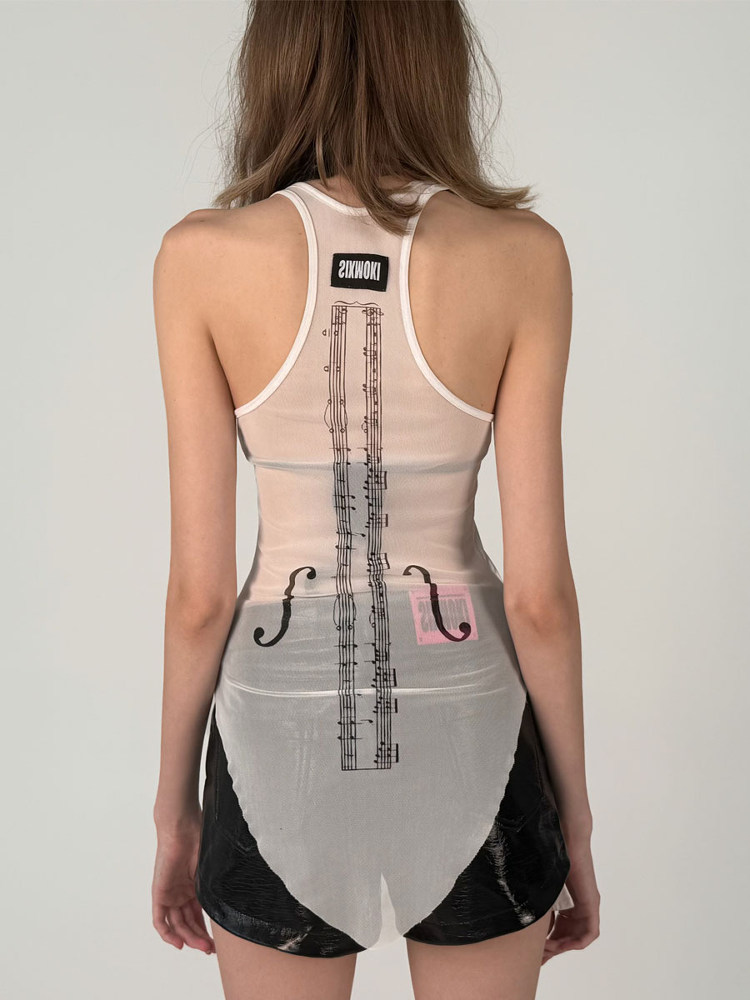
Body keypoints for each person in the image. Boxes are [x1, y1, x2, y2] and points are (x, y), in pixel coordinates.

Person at [150, 1, 600, 997]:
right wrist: (572, 819)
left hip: (277, 739)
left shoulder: (200, 259)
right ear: (438, 55)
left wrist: (175, 808)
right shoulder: (523, 255)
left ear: (278, 56)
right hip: (474, 727)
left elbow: (199, 597)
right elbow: (539, 600)